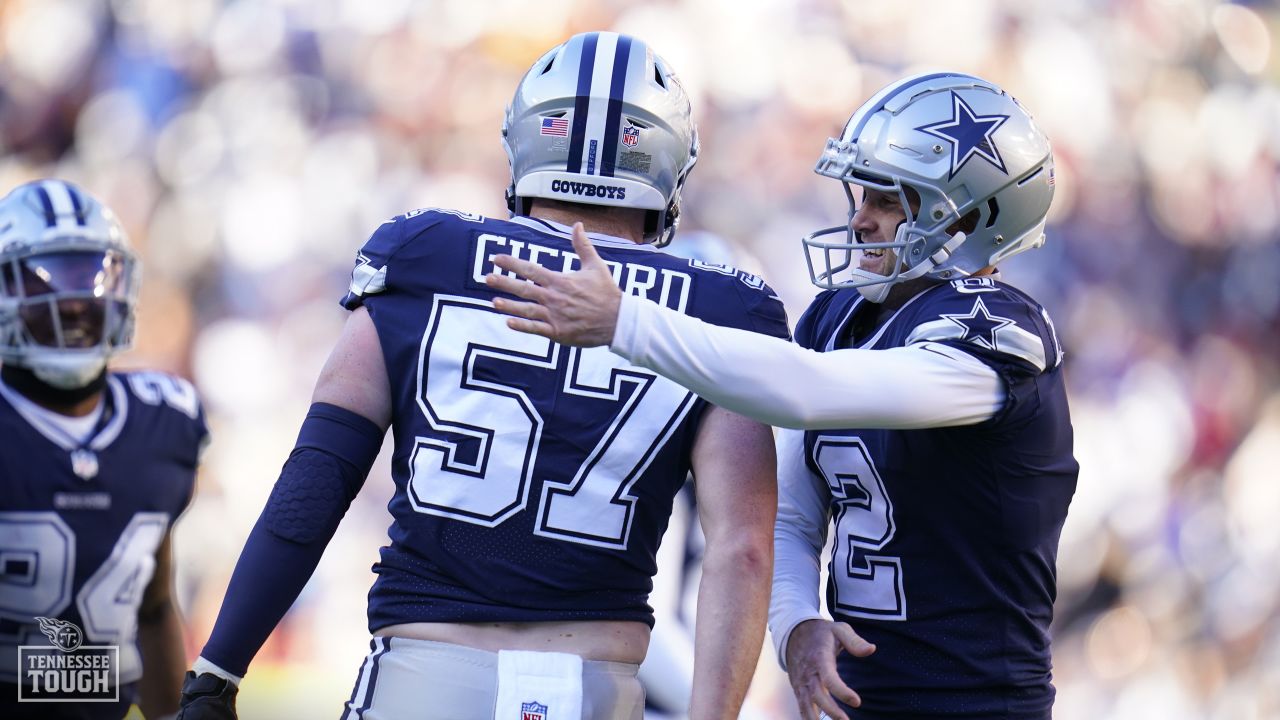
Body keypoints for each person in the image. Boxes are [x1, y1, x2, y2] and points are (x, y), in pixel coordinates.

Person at [176, 31, 790, 720]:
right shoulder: (722, 306)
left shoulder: (424, 253)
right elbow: (739, 552)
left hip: (423, 677)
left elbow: (317, 480)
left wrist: (219, 668)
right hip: (592, 684)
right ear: (670, 160)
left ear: (527, 141)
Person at [486, 72, 1078, 720]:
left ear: (966, 215)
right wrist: (796, 623)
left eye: (890, 200)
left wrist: (626, 321)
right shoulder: (842, 315)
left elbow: (805, 391)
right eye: (862, 193)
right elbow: (792, 516)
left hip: (978, 707)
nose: (860, 218)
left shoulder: (1001, 336)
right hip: (855, 703)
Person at [0, 179, 206, 720]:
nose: (73, 300)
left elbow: (155, 603)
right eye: (45, 276)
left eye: (88, 274)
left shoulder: (164, 421)